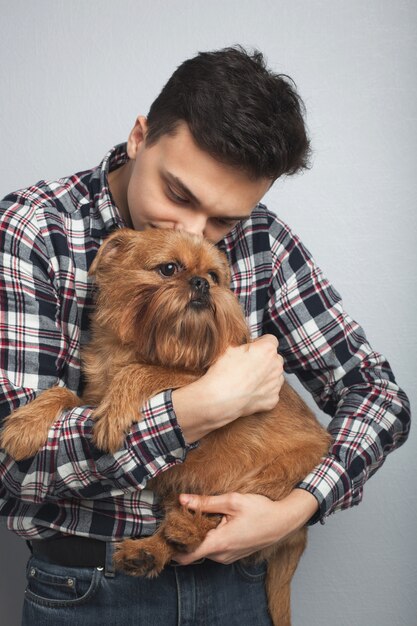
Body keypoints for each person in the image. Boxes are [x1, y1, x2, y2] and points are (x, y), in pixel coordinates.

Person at [0, 46, 410, 625]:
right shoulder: (34, 229)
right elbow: (15, 466)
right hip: (88, 589)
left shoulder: (264, 241)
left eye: (224, 223)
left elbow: (381, 397)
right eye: (179, 195)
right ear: (141, 136)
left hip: (238, 581)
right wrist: (200, 407)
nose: (194, 230)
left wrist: (299, 506)